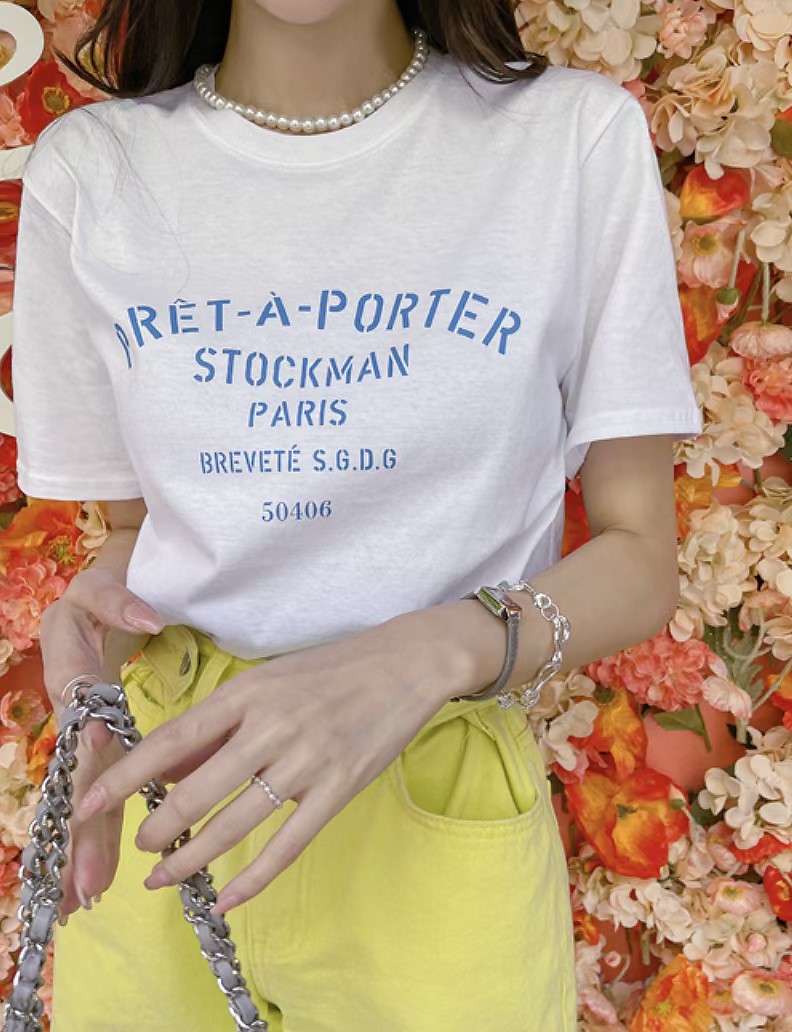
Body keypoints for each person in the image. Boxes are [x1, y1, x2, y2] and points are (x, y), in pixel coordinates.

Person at [9, 0, 704, 1029]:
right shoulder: (93, 169)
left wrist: (422, 656)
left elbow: (641, 556)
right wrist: (90, 652)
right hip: (168, 799)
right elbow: (130, 538)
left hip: (435, 801)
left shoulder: (568, 140)